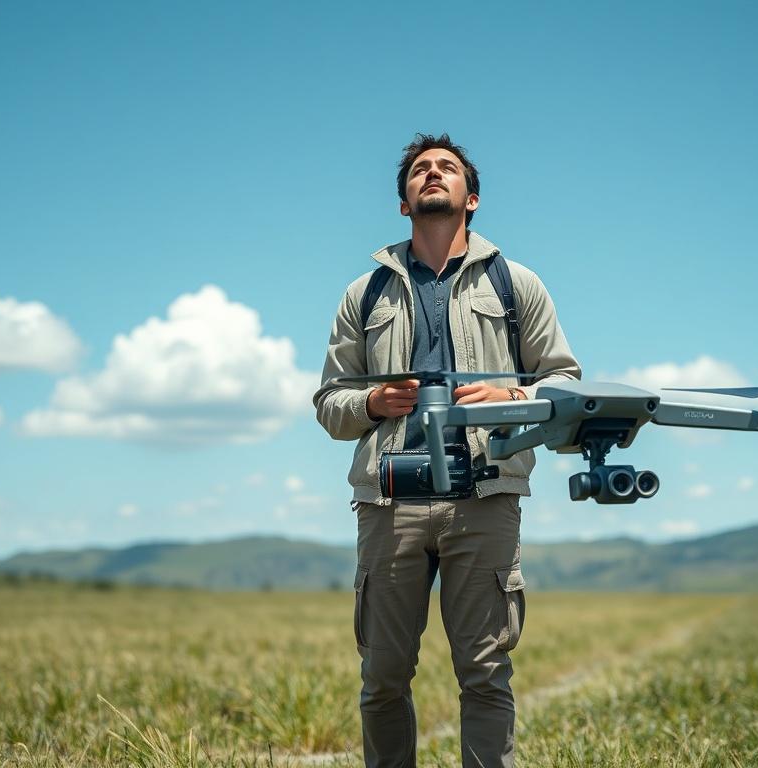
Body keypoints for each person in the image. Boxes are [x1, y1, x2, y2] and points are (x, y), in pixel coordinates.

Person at [313, 133, 581, 768]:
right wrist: (374, 403)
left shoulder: (518, 284)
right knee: (382, 679)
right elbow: (329, 404)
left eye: (446, 169)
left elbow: (565, 383)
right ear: (404, 202)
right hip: (390, 500)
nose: (431, 175)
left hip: (485, 496)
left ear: (473, 197)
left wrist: (509, 395)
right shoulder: (364, 293)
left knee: (485, 674)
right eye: (419, 171)